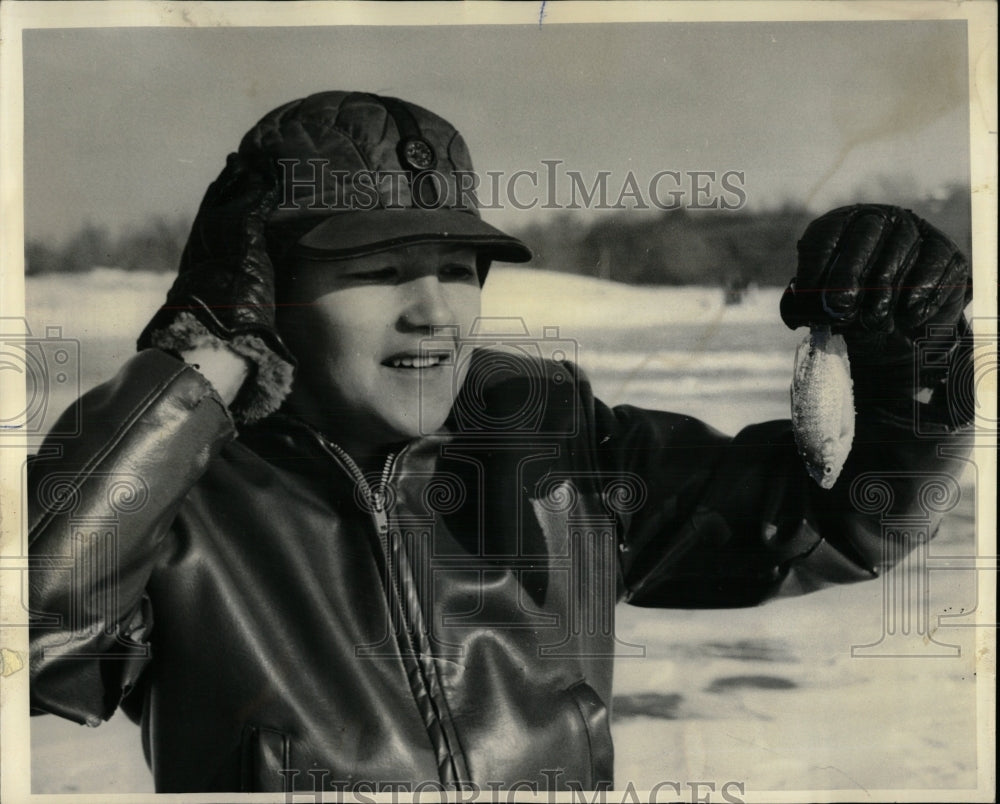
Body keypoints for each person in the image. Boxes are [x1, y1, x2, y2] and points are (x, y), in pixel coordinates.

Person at [27, 91, 973, 794]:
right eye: (381, 270)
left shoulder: (543, 435)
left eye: (455, 266)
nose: (433, 310)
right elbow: (35, 642)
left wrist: (913, 361)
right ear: (265, 292)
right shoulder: (179, 489)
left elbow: (844, 522)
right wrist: (197, 368)